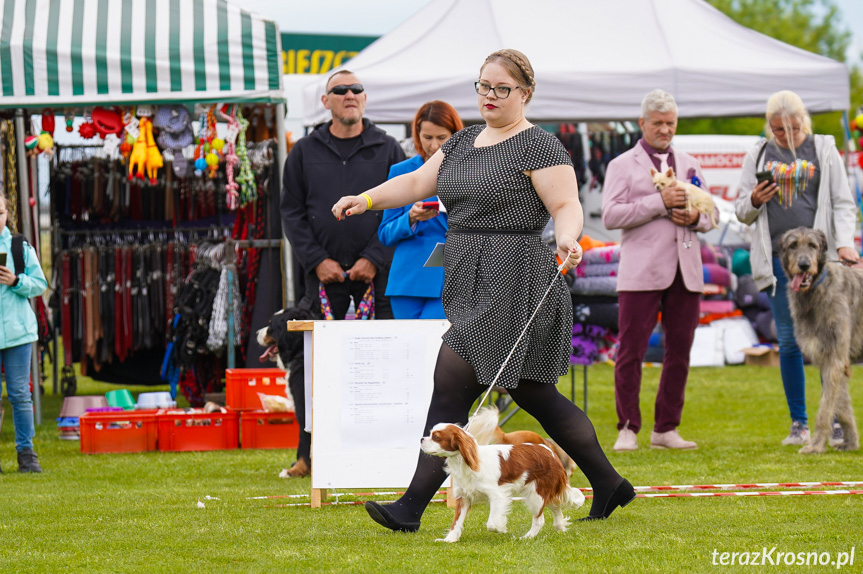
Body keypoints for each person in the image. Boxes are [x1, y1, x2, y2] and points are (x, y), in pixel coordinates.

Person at [332, 49, 635, 532]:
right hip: (469, 274)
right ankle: (609, 482)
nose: (489, 97)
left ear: (525, 94)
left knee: (449, 385)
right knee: (535, 393)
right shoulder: (464, 142)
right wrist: (364, 200)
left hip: (517, 277)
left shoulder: (541, 146)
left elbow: (566, 204)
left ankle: (409, 508)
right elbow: (413, 184)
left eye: (501, 89)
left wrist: (566, 238)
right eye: (483, 86)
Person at [735, 90, 858, 446]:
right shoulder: (757, 154)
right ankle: (799, 424)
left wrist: (845, 242)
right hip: (779, 262)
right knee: (789, 341)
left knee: (831, 345)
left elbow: (843, 202)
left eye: (792, 128)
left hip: (823, 264)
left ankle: (835, 424)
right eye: (777, 130)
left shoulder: (823, 150)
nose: (785, 136)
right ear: (769, 127)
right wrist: (755, 200)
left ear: (803, 121)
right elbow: (742, 208)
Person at [601, 89, 716, 452]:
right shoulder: (622, 165)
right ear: (642, 124)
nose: (665, 129)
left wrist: (697, 218)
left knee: (680, 351)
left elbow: (712, 214)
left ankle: (666, 428)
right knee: (630, 351)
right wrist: (658, 202)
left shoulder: (690, 163)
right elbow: (611, 215)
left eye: (671, 123)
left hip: (687, 269)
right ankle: (627, 427)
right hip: (641, 270)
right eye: (658, 123)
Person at [281, 70, 406, 320]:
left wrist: (374, 257)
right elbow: (291, 213)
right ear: (325, 101)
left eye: (356, 89)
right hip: (323, 274)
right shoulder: (304, 150)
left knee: (379, 351)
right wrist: (317, 260)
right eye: (340, 90)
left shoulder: (388, 148)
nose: (350, 95)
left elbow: (401, 208)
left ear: (364, 98)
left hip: (377, 274)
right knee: (320, 354)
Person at [377, 101, 463, 319]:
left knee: (435, 350)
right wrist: (410, 218)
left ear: (455, 135)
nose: (434, 146)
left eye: (442, 138)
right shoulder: (401, 171)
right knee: (408, 350)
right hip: (407, 280)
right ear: (416, 135)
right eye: (427, 137)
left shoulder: (467, 171)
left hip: (450, 277)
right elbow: (385, 234)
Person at [0, 190, 47, 473]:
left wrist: (16, 280)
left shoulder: (19, 246)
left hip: (18, 332)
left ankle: (26, 454)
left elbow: (40, 284)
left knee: (19, 393)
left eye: (0, 213)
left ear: (7, 213)